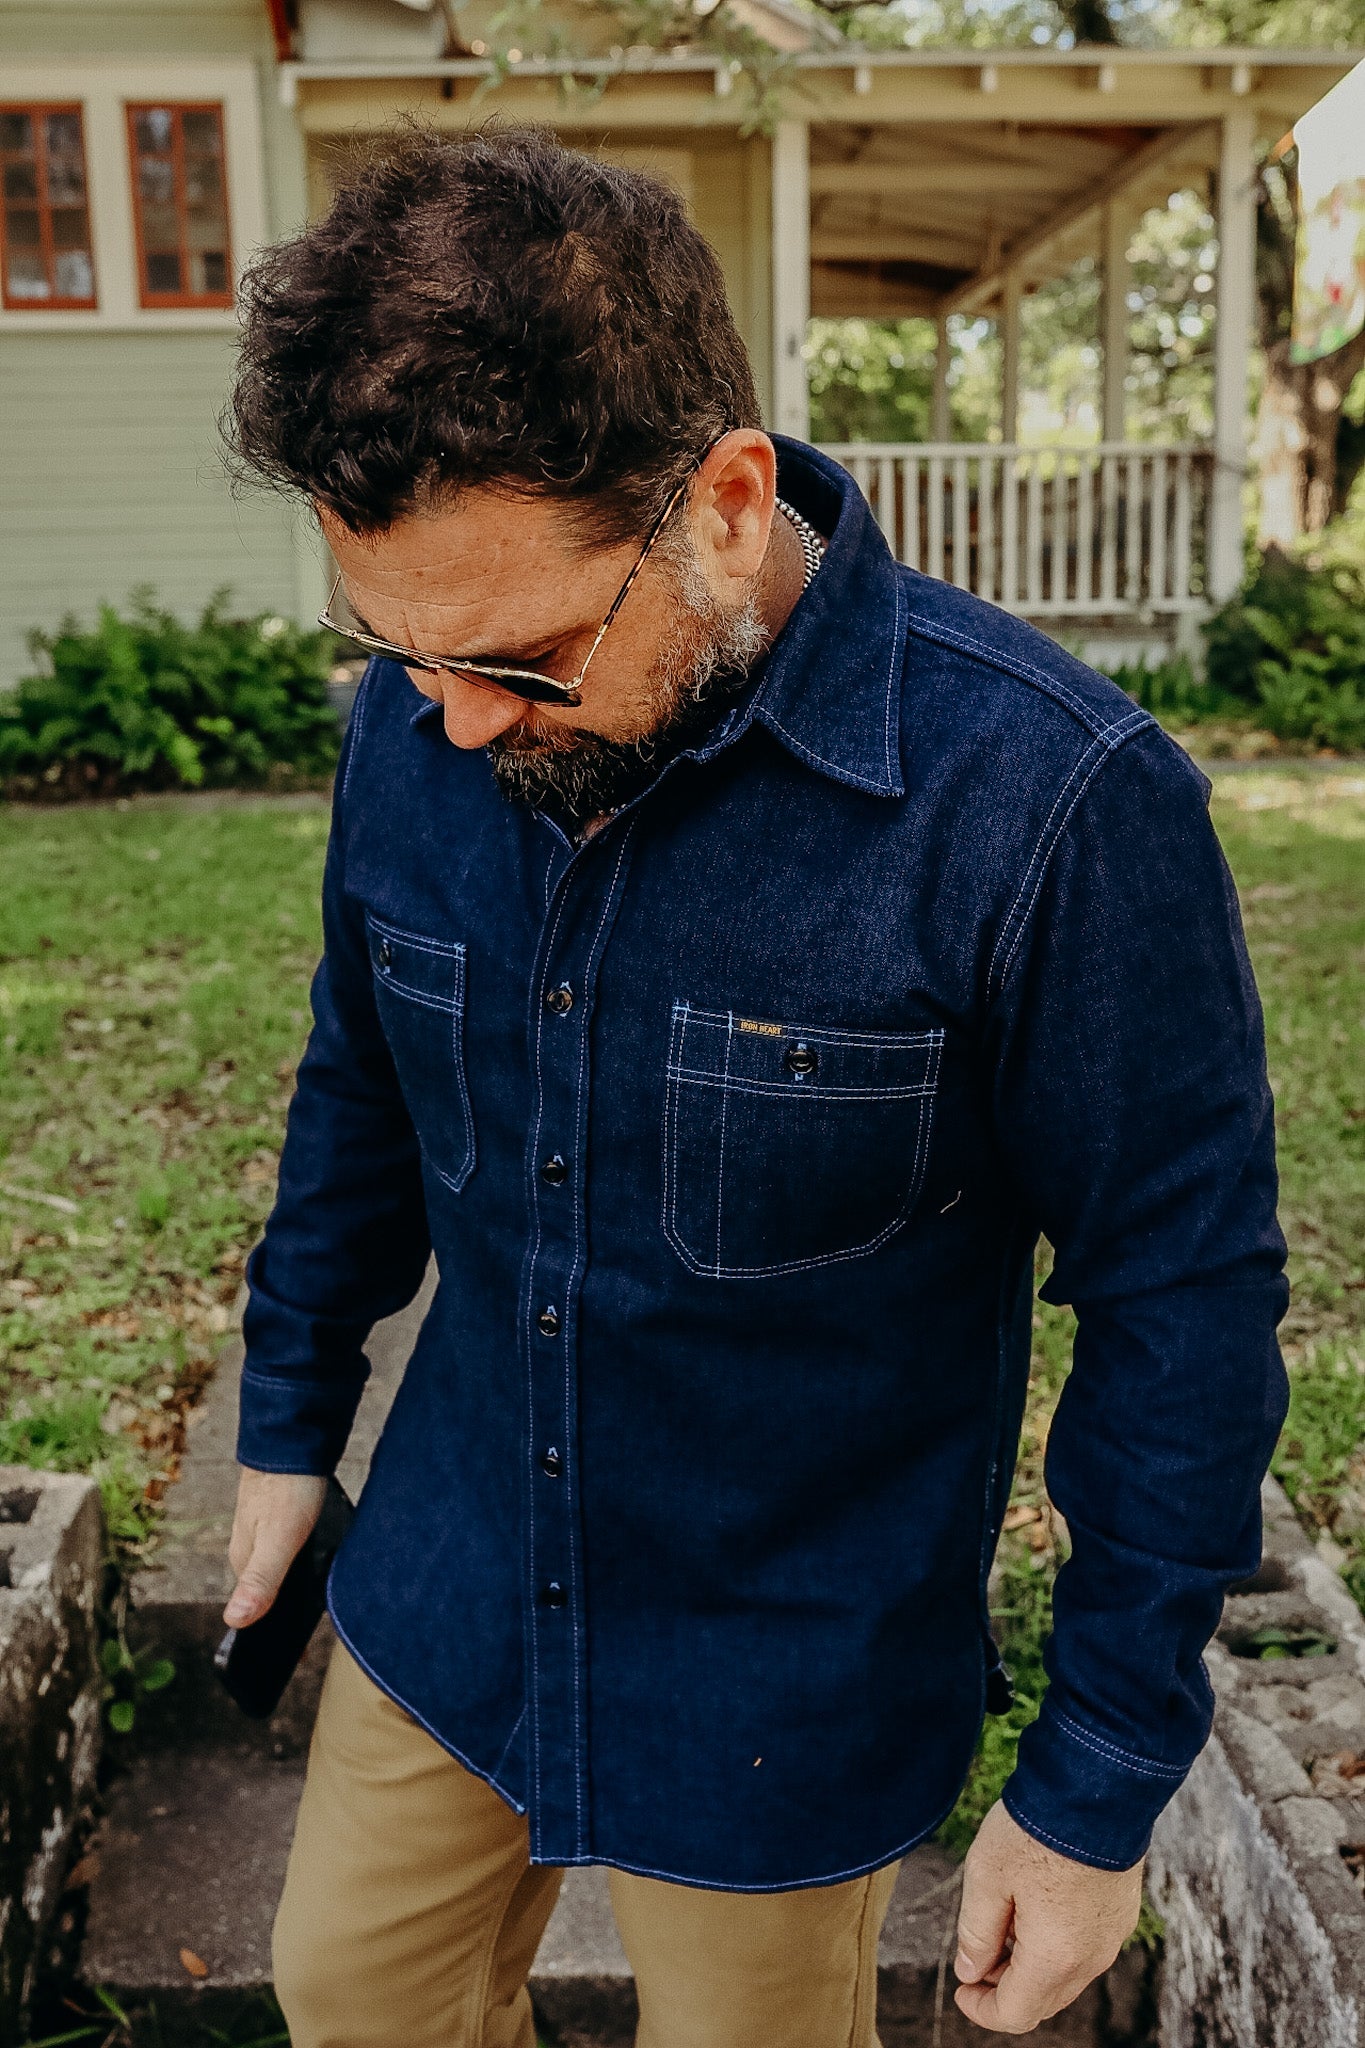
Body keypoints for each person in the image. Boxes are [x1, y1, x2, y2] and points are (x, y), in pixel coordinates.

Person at [221, 124, 1289, 2048]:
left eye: (522, 661)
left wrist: (1098, 1779)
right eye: (392, 647)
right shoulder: (424, 711)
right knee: (348, 1995)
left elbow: (1179, 1303)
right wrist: (290, 1420)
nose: (447, 721)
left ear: (722, 502)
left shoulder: (1048, 803)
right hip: (456, 1572)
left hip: (781, 1666)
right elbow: (354, 1074)